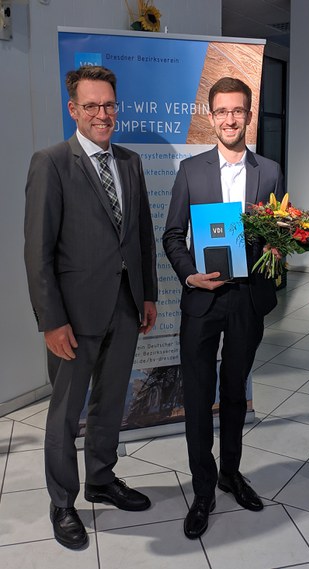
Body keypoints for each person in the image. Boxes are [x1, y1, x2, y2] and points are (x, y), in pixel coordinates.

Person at [24, 65, 158, 549]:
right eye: (92, 106)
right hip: (73, 319)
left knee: (109, 403)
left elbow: (139, 234)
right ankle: (63, 503)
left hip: (124, 307)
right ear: (73, 109)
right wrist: (51, 320)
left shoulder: (130, 161)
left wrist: (148, 294)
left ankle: (102, 478)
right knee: (65, 413)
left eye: (109, 105)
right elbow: (38, 252)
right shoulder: (52, 162)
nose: (103, 114)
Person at [163, 77, 285, 539]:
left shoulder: (269, 172)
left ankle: (231, 474)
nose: (230, 119)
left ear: (249, 116)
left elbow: (276, 235)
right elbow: (173, 235)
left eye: (238, 111)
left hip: (246, 300)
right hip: (202, 298)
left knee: (236, 391)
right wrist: (189, 273)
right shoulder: (190, 171)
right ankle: (203, 489)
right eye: (222, 112)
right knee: (198, 396)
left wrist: (276, 252)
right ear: (210, 117)